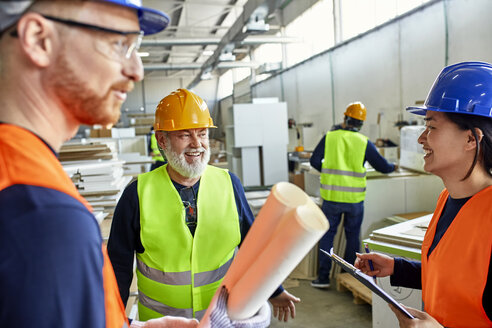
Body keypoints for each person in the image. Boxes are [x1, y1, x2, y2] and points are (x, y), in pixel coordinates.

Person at [0, 1, 263, 327]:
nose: (137, 70)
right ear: (40, 40)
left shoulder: (31, 179)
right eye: (119, 44)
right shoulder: (40, 209)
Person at [108, 88, 300, 322]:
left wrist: (275, 290)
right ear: (162, 139)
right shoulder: (136, 195)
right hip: (161, 323)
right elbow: (118, 265)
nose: (197, 144)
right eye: (185, 135)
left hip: (220, 319)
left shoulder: (230, 184)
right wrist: (113, 319)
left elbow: (254, 245)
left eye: (202, 133)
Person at [355, 61, 492, 327]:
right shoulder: (447, 199)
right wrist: (397, 266)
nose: (421, 138)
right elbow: (456, 279)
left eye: (432, 127)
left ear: (471, 139)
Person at [310, 102, 397, 288]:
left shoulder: (330, 137)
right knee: (352, 236)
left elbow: (314, 160)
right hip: (354, 201)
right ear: (361, 124)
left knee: (327, 236)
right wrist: (393, 167)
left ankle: (323, 279)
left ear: (345, 118)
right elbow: (383, 167)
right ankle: (349, 276)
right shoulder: (364, 142)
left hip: (331, 197)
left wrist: (326, 172)